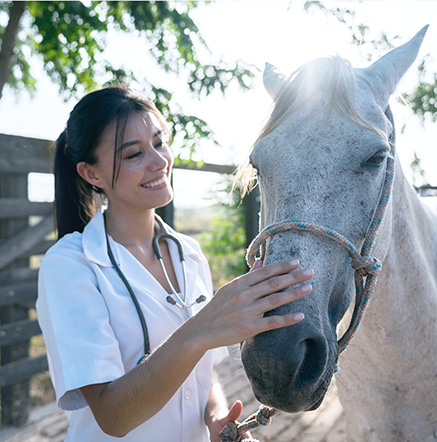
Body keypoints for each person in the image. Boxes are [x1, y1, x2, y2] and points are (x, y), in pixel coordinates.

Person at [36, 84, 314, 442]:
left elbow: (202, 373)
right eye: (134, 154)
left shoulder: (188, 252)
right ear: (91, 174)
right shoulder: (70, 265)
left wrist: (216, 418)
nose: (158, 160)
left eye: (159, 141)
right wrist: (203, 327)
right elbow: (112, 415)